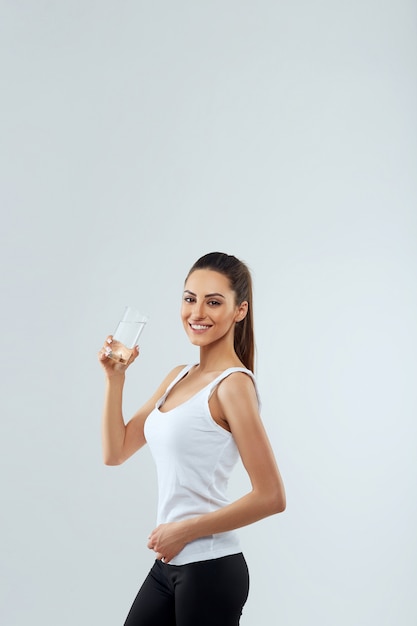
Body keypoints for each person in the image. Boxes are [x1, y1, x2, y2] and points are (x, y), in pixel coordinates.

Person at [98, 251, 286, 626]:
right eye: (190, 299)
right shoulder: (177, 376)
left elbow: (271, 496)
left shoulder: (234, 385)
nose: (197, 312)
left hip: (211, 568)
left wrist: (184, 530)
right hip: (168, 566)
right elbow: (115, 452)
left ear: (239, 311)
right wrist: (115, 378)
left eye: (213, 302)